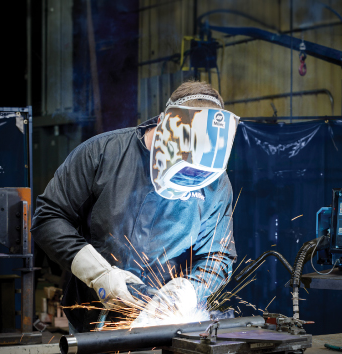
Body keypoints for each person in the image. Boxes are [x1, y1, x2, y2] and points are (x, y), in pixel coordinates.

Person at [31, 81, 239, 333]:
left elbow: (218, 254)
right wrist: (98, 274)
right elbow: (48, 217)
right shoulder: (103, 153)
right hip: (94, 319)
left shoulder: (216, 182)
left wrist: (189, 290)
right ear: (163, 124)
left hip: (168, 324)